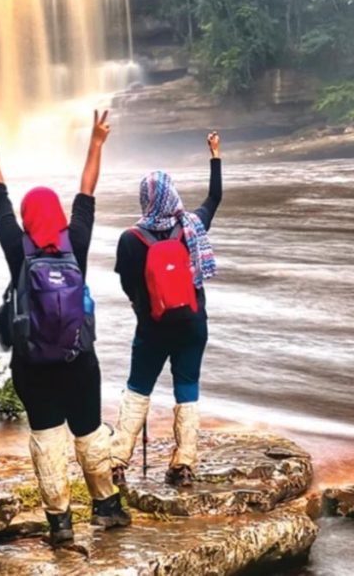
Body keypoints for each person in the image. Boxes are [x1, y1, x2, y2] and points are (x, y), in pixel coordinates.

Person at [0, 111, 130, 546]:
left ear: (27, 219)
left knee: (46, 438)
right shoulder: (75, 243)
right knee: (88, 430)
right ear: (59, 217)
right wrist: (97, 143)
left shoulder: (16, 248)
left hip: (31, 363)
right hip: (79, 358)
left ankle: (59, 523)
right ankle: (106, 506)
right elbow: (87, 190)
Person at [111, 132, 222, 487]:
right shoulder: (192, 226)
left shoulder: (131, 239)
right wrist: (215, 156)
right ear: (171, 194)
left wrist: (143, 309)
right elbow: (215, 197)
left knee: (138, 388)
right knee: (187, 385)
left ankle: (117, 462)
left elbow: (128, 284)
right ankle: (184, 463)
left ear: (144, 199)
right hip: (192, 323)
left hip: (152, 327)